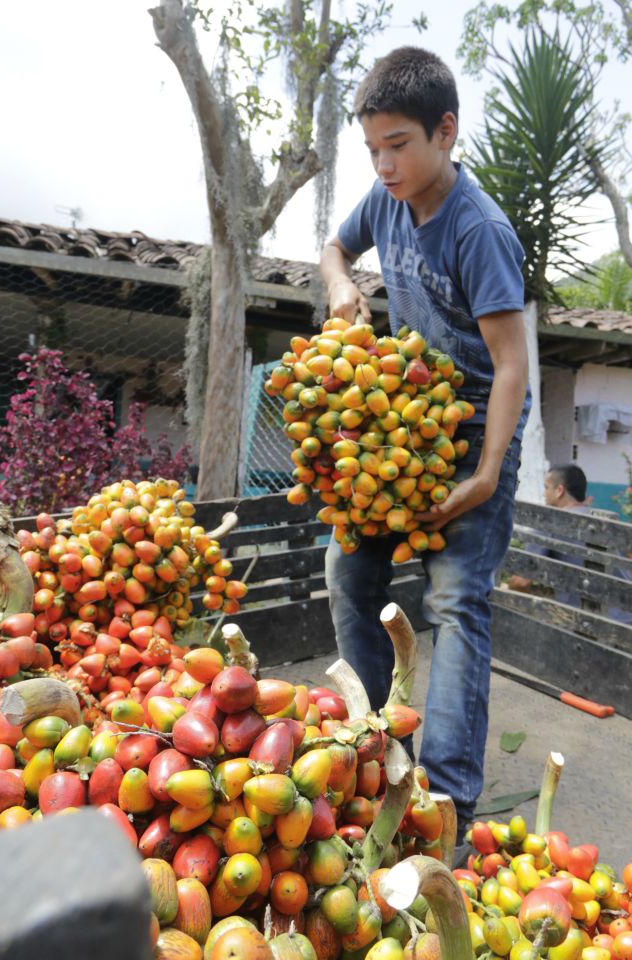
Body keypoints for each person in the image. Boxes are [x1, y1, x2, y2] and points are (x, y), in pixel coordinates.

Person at [319, 46, 530, 849]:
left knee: (453, 603)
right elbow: (337, 250)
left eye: (399, 144)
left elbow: (513, 365)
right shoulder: (383, 201)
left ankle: (448, 802)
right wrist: (344, 285)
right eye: (373, 148)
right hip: (404, 424)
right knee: (351, 567)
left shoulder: (479, 231)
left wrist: (483, 477)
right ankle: (376, 750)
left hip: (476, 429)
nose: (384, 164)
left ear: (445, 132)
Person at [508, 464, 632, 622]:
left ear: (559, 490)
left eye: (546, 488)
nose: (544, 494)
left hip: (592, 622)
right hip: (626, 616)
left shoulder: (550, 521)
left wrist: (506, 590)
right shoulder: (601, 523)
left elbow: (521, 581)